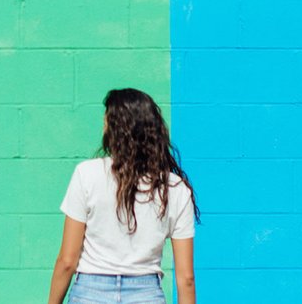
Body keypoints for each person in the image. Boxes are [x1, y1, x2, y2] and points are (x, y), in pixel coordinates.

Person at [48, 88, 199, 304]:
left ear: (116, 130)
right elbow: (186, 279)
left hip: (90, 292)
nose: (103, 128)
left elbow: (67, 261)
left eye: (106, 122)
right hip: (146, 294)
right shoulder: (175, 188)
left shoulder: (87, 174)